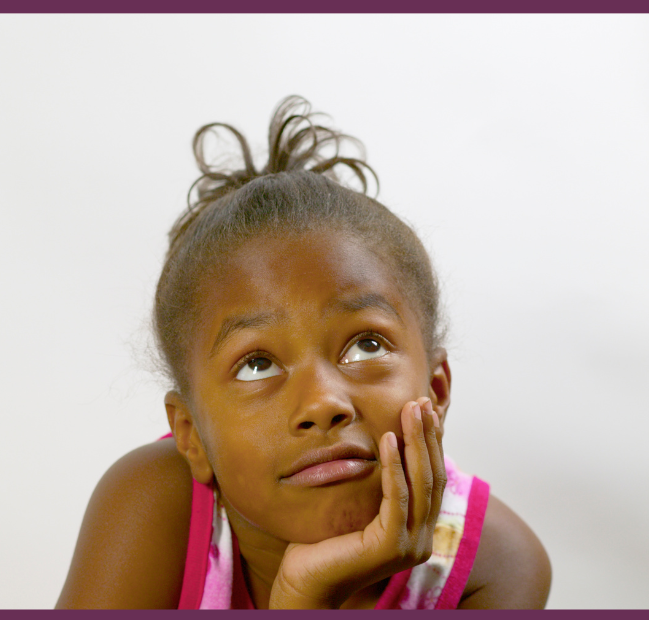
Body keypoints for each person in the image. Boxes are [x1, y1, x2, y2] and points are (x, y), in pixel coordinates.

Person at [56, 96, 551, 609]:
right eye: (257, 364)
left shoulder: (492, 567)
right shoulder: (152, 506)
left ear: (436, 390)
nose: (322, 403)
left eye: (365, 345)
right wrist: (304, 599)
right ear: (192, 436)